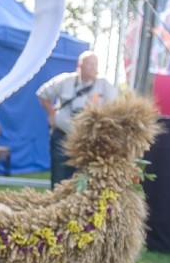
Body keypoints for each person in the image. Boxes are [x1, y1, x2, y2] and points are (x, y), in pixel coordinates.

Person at [37, 51, 117, 188]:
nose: (93, 67)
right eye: (90, 64)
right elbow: (42, 94)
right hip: (63, 137)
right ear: (80, 65)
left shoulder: (104, 86)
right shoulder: (65, 80)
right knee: (59, 180)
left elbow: (115, 109)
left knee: (84, 181)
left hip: (88, 142)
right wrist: (51, 114)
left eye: (95, 64)